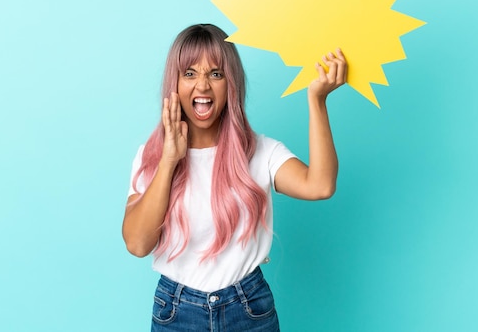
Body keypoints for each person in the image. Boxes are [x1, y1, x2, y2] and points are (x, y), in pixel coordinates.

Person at [122, 23, 346, 331]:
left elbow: (320, 185)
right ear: (173, 84)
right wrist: (170, 159)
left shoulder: (261, 152)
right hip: (176, 312)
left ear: (231, 84)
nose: (202, 86)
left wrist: (317, 101)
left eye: (216, 73)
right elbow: (137, 244)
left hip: (248, 309)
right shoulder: (150, 157)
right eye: (189, 73)